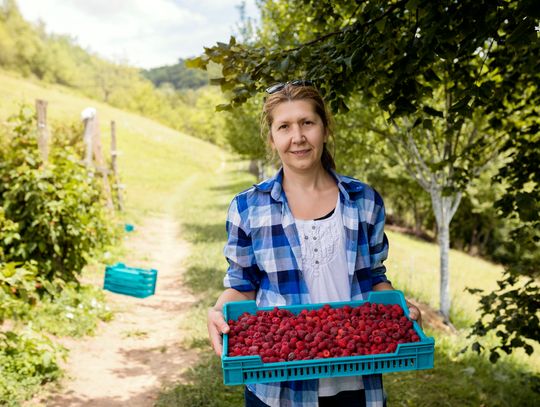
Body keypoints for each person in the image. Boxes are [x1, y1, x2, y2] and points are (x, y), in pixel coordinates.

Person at [207, 80, 422, 407]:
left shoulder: (364, 201)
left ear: (324, 128)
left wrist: (399, 309)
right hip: (277, 382)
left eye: (307, 122)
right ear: (272, 138)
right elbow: (242, 284)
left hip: (356, 374)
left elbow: (375, 278)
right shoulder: (248, 207)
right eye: (284, 126)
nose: (298, 137)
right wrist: (219, 311)